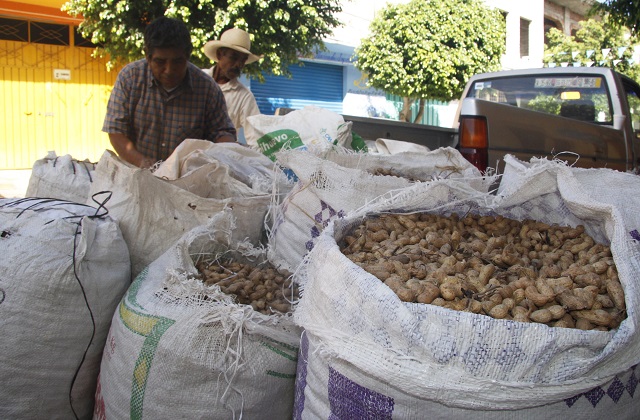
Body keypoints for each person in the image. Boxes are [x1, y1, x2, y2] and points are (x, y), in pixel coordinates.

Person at [103, 17, 236, 169]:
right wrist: (143, 163)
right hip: (137, 174)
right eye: (160, 62)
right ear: (147, 55)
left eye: (177, 62)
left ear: (188, 55)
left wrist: (228, 151)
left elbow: (221, 132)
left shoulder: (207, 89)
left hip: (187, 180)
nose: (169, 70)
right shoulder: (130, 78)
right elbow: (116, 131)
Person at [202, 28, 262, 138]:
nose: (238, 65)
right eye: (233, 57)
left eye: (242, 60)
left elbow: (256, 135)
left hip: (220, 153)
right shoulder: (199, 80)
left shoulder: (244, 96)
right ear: (220, 55)